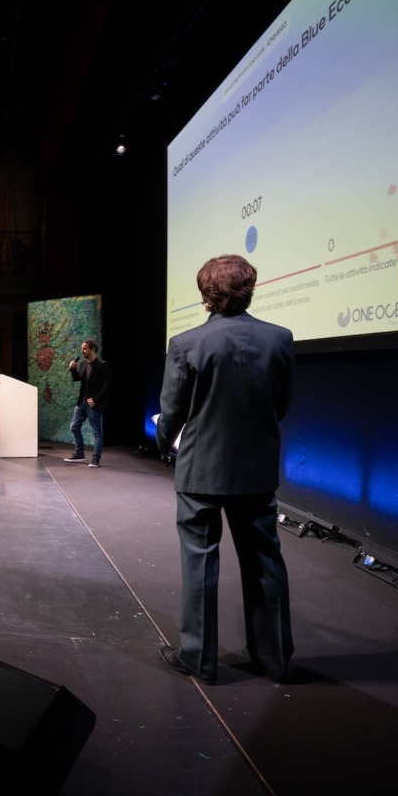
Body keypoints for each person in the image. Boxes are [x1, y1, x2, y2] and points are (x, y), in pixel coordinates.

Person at [156, 254, 295, 685]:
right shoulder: (280, 338)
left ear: (205, 294)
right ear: (250, 288)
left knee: (200, 564)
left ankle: (199, 659)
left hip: (201, 470)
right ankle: (274, 660)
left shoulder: (185, 343)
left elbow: (171, 412)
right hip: (255, 470)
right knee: (265, 562)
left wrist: (164, 445)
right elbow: (281, 404)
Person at [65, 338, 112, 466]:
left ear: (92, 350)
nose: (82, 351)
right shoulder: (84, 364)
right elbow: (77, 379)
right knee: (74, 426)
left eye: (85, 348)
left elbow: (107, 385)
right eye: (82, 348)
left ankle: (96, 459)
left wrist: (95, 399)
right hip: (81, 403)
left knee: (96, 431)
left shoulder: (102, 365)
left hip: (93, 404)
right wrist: (73, 369)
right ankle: (79, 453)